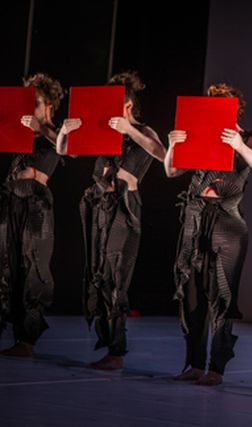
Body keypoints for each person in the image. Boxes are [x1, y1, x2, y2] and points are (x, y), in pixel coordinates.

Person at [166, 83, 252, 385]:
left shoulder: (248, 138)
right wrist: (174, 145)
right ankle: (193, 364)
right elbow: (172, 171)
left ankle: (216, 367)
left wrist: (239, 146)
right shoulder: (199, 134)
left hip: (227, 222)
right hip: (195, 218)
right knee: (191, 293)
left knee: (223, 295)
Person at [57, 71, 166, 370]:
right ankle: (108, 345)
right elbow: (64, 150)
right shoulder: (102, 130)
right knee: (98, 274)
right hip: (99, 204)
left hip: (124, 207)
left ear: (127, 105)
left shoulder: (142, 130)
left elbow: (161, 154)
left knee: (116, 276)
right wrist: (64, 131)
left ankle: (117, 352)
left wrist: (129, 130)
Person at [0, 73, 65, 357]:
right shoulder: (21, 130)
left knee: (34, 267)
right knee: (8, 265)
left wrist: (41, 127)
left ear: (49, 105)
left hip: (36, 204)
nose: (31, 107)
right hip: (11, 200)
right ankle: (14, 334)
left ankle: (28, 340)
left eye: (36, 102)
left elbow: (69, 149)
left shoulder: (57, 132)